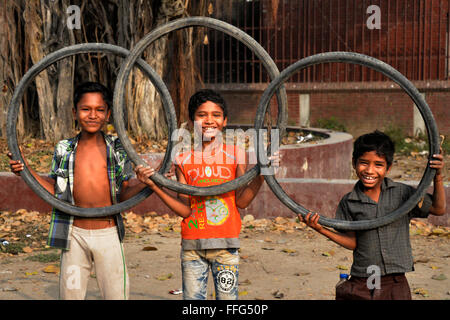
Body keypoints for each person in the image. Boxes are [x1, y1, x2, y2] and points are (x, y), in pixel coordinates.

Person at [8, 82, 150, 300]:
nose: (92, 115)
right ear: (75, 112)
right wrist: (26, 171)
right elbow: (55, 191)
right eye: (86, 109)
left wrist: (145, 183)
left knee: (117, 295)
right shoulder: (64, 148)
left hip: (108, 233)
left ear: (108, 114)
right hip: (74, 234)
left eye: (99, 110)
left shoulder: (119, 147)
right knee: (70, 293)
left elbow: (124, 193)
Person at [135, 89, 280, 300]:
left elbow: (242, 201)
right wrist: (155, 186)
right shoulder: (182, 158)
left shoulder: (236, 154)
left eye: (216, 115)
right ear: (191, 120)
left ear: (224, 120)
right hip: (193, 247)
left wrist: (263, 174)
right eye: (202, 115)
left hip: (226, 246)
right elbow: (185, 210)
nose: (209, 120)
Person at [299, 130, 446, 300]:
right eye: (364, 163)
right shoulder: (349, 202)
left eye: (378, 164)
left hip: (395, 281)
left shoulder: (402, 193)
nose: (370, 170)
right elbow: (353, 242)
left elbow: (438, 209)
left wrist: (437, 176)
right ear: (354, 163)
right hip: (365, 278)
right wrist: (320, 228)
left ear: (388, 167)